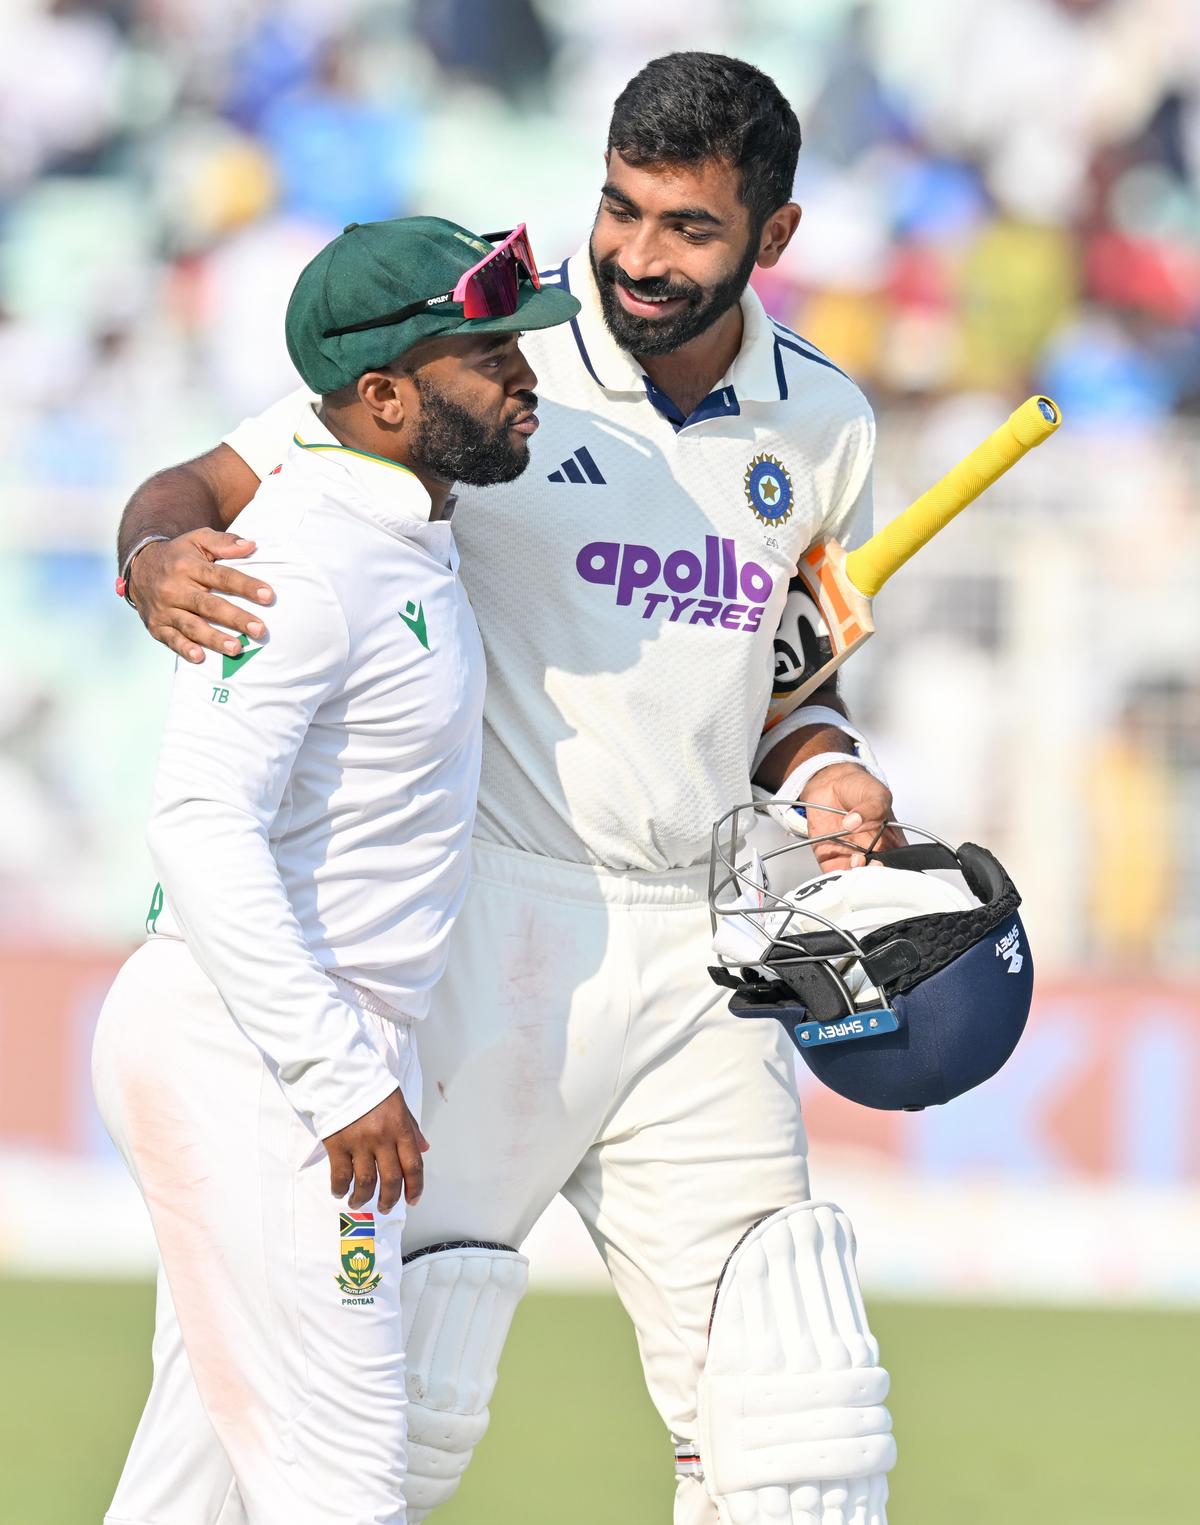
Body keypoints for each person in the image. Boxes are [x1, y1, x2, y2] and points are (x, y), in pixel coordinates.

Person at [117, 53, 899, 1525]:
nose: (638, 257)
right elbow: (203, 486)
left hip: (700, 948)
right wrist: (150, 551)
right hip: (487, 924)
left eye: (688, 229)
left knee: (802, 1425)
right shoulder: (493, 367)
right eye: (621, 209)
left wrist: (833, 763)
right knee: (357, 1419)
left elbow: (786, 677)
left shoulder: (827, 426)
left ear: (773, 240)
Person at [93, 215, 579, 1525]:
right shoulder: (312, 553)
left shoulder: (393, 500)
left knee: (191, 1491)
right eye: (490, 354)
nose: (528, 373)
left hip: (275, 1040)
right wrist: (339, 1072)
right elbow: (197, 820)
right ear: (382, 397)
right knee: (348, 1487)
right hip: (265, 1051)